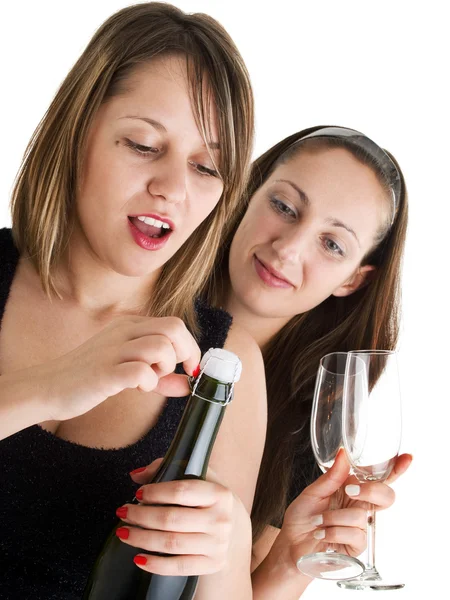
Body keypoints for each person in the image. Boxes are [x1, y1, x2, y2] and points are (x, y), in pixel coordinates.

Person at [0, 4, 267, 599]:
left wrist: (224, 549)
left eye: (206, 167)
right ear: (77, 132)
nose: (173, 188)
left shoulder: (225, 364)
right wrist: (48, 384)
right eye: (145, 144)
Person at [198, 125, 412, 597]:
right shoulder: (125, 296)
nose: (288, 249)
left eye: (332, 244)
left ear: (352, 280)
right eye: (284, 207)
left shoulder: (306, 431)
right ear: (248, 194)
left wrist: (296, 560)